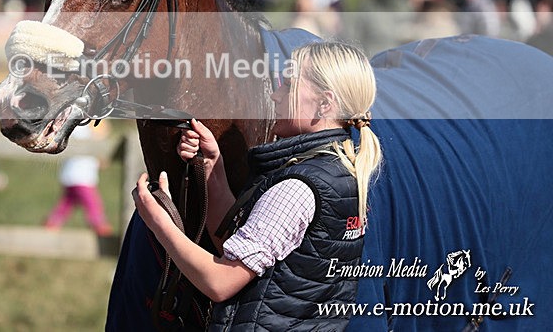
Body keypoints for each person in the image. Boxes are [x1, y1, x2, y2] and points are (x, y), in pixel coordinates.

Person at [133, 41, 382, 330]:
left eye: (288, 86)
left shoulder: (297, 187)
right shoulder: (335, 172)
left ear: (324, 103)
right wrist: (212, 165)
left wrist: (160, 223)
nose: (275, 96)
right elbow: (238, 245)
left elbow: (220, 282)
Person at [45, 125, 113, 236]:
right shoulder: (81, 128)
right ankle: (101, 228)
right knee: (93, 204)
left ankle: (51, 225)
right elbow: (95, 139)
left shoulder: (81, 128)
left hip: (74, 175)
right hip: (81, 176)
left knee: (66, 204)